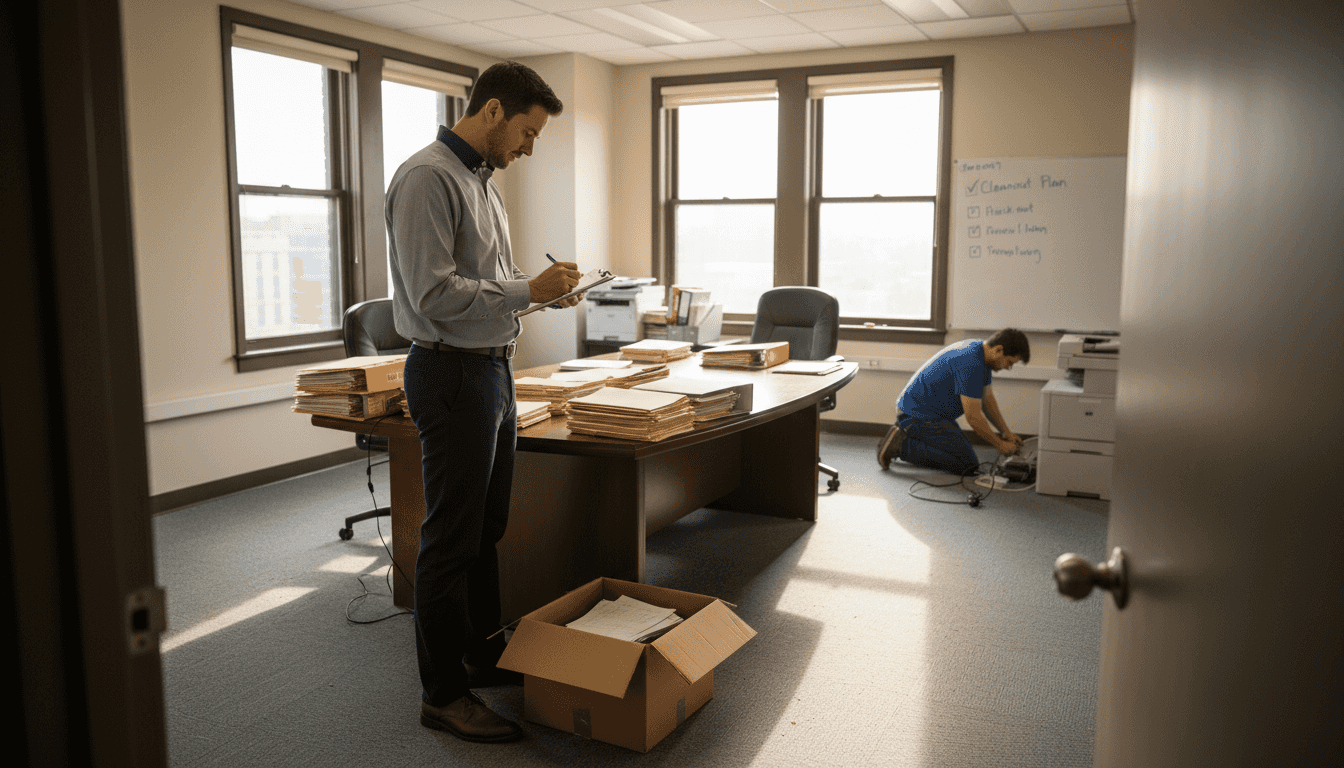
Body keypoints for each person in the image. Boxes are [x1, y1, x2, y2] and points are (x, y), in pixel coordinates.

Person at [385, 61, 579, 744]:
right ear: (493, 112)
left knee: (488, 528)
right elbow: (434, 294)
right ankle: (443, 694)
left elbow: (489, 284)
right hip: (450, 374)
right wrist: (531, 290)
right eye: (526, 133)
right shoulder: (426, 178)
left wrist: (541, 291)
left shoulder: (482, 185)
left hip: (493, 370)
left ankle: (478, 651)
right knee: (450, 537)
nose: (528, 148)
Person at [877, 329, 1031, 476]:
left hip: (931, 414)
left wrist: (1006, 432)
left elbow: (987, 400)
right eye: (1009, 362)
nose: (1008, 367)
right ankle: (900, 447)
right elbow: (974, 418)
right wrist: (1000, 445)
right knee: (967, 465)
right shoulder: (971, 363)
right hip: (917, 416)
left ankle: (908, 436)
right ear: (998, 350)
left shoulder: (980, 352)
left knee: (959, 454)